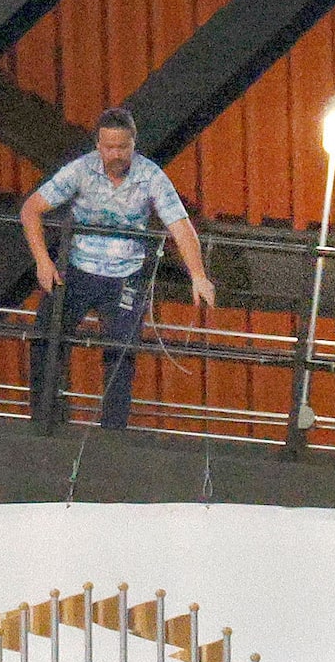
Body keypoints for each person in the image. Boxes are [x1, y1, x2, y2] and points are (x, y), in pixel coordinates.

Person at [21, 109, 217, 429]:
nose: (116, 155)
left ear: (133, 144)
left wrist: (198, 276)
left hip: (126, 276)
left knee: (121, 354)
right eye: (109, 147)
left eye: (122, 148)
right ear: (98, 145)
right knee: (46, 337)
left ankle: (113, 432)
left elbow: (181, 227)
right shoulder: (80, 170)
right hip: (77, 269)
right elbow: (31, 209)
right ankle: (45, 419)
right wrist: (43, 260)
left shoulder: (150, 176)